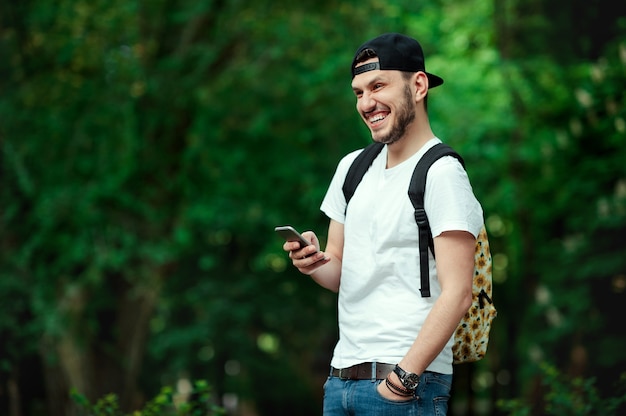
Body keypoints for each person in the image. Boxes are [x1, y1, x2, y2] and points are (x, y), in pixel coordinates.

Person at [282, 33, 484, 416]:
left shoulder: (442, 173)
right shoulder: (352, 168)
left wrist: (402, 380)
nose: (366, 102)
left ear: (418, 85)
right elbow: (339, 271)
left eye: (378, 86)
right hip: (340, 380)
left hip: (406, 386)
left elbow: (458, 293)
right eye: (358, 92)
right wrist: (314, 262)